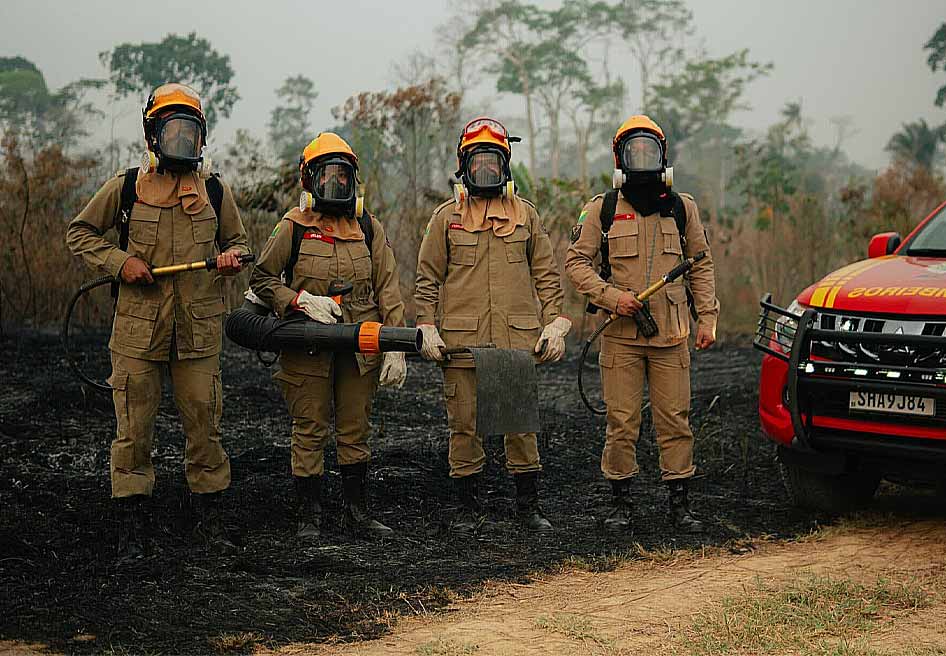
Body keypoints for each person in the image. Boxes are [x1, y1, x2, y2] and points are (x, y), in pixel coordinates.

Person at [66, 83, 249, 560]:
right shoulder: (127, 187)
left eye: (190, 132)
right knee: (133, 430)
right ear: (153, 135)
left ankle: (210, 519)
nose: (182, 140)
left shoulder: (214, 190)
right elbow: (80, 233)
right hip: (138, 331)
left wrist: (231, 258)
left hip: (198, 332)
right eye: (173, 131)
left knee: (205, 423)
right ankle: (132, 526)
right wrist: (120, 262)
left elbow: (240, 243)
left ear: (201, 136)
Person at [415, 117, 569, 535]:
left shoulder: (526, 215)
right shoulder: (446, 217)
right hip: (461, 345)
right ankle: (467, 510)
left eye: (493, 161)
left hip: (515, 341)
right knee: (464, 427)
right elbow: (427, 278)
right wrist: (426, 324)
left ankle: (528, 508)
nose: (485, 169)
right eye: (478, 161)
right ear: (464, 165)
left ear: (505, 165)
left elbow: (547, 275)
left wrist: (555, 322)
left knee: (519, 427)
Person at [248, 132, 406, 540]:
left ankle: (356, 512)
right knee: (309, 426)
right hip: (308, 344)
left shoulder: (368, 227)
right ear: (310, 179)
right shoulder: (294, 226)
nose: (335, 183)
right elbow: (262, 278)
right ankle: (309, 515)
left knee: (355, 428)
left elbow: (389, 288)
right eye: (327, 175)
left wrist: (394, 347)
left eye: (343, 175)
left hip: (360, 346)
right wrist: (298, 300)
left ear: (353, 180)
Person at [564, 114, 718, 534]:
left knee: (675, 420)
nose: (643, 158)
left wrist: (707, 318)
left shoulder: (683, 208)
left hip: (671, 335)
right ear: (621, 158)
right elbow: (576, 263)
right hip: (620, 338)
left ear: (663, 156)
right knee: (621, 422)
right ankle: (621, 503)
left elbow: (701, 265)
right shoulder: (603, 209)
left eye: (651, 151)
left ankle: (679, 504)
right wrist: (612, 297)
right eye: (635, 151)